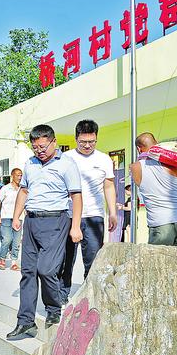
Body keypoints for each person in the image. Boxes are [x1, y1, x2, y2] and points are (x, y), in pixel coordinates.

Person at [6, 124, 83, 341]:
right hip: (31, 221)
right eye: (35, 147)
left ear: (53, 142)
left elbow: (76, 196)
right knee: (28, 272)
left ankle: (53, 307)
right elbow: (24, 191)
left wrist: (76, 226)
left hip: (56, 221)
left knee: (47, 269)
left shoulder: (67, 164)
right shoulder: (30, 163)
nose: (39, 151)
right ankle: (25, 322)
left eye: (42, 146)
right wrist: (16, 216)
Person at [57, 120, 117, 303]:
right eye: (83, 142)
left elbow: (108, 186)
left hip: (94, 216)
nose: (88, 145)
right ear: (76, 139)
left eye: (92, 141)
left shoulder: (104, 159)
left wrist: (112, 212)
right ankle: (61, 296)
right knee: (66, 259)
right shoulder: (65, 158)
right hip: (68, 215)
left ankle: (89, 295)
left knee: (93, 259)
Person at [130, 132, 177, 251]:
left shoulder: (135, 167)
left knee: (159, 261)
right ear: (157, 143)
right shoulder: (173, 162)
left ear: (138, 149)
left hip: (160, 223)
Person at [0, 168, 23, 270]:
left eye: (21, 175)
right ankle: (2, 259)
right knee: (7, 239)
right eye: (17, 175)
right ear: (12, 176)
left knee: (16, 242)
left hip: (19, 218)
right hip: (6, 217)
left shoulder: (22, 189)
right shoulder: (5, 188)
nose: (19, 177)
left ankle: (14, 263)